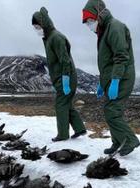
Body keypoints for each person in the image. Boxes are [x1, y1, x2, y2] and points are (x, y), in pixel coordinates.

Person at [82, 0, 140, 156]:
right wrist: (102, 83)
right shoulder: (104, 30)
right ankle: (118, 142)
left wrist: (115, 81)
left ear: (99, 15)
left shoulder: (114, 27)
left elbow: (121, 56)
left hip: (122, 77)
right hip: (112, 78)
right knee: (112, 111)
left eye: (90, 20)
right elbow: (106, 62)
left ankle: (130, 141)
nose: (89, 25)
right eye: (87, 22)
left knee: (112, 111)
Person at [32, 7, 87, 142]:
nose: (36, 29)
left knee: (60, 104)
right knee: (66, 104)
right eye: (35, 27)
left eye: (37, 26)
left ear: (44, 24)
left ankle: (62, 134)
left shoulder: (56, 38)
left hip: (65, 77)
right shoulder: (49, 38)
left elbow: (65, 60)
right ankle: (80, 129)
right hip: (61, 78)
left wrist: (66, 80)